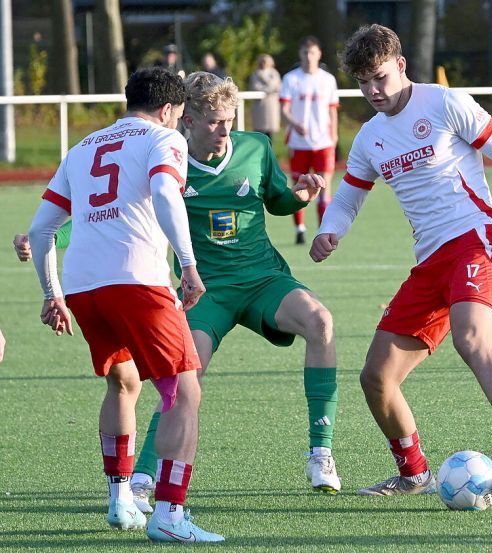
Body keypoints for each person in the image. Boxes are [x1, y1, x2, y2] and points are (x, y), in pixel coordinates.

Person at [311, 24, 492, 496]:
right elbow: (349, 200)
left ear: (402, 65)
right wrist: (330, 230)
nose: (372, 90)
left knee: (471, 339)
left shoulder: (446, 103)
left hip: (477, 239)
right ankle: (414, 474)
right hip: (430, 263)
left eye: (380, 78)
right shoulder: (370, 138)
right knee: (376, 377)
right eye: (362, 82)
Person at [126, 71, 342, 510]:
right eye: (213, 122)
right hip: (207, 292)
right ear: (187, 120)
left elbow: (277, 199)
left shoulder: (255, 147)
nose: (225, 130)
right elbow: (115, 207)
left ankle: (320, 453)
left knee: (320, 322)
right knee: (184, 378)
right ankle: (144, 477)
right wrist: (49, 234)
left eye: (230, 119)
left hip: (263, 279)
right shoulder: (168, 157)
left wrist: (300, 195)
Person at [25, 67, 223, 541]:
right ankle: (171, 515)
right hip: (138, 281)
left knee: (124, 380)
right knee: (184, 391)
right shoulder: (164, 139)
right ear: (171, 110)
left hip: (83, 288)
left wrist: (52, 295)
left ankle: (120, 499)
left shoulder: (82, 147)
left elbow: (40, 230)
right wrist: (189, 264)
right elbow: (163, 191)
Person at [280, 36, 340, 244]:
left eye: (312, 52)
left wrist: (334, 135)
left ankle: (323, 231)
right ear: (300, 54)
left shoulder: (327, 80)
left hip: (323, 142)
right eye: (305, 52)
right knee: (299, 185)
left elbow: (332, 110)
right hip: (298, 142)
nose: (309, 57)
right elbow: (284, 109)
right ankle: (300, 229)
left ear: (319, 54)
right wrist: (295, 124)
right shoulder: (291, 79)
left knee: (325, 187)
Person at [249, 54, 282, 139]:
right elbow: (255, 87)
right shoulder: (256, 74)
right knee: (259, 131)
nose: (263, 63)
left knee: (269, 132)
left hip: (271, 105)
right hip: (259, 106)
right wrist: (269, 89)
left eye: (265, 61)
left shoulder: (274, 73)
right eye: (262, 61)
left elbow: (276, 85)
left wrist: (266, 86)